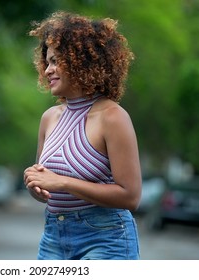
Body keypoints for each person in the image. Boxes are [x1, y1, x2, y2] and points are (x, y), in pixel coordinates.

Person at [23, 11, 141, 260]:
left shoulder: (112, 117)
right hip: (54, 235)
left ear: (81, 60)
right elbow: (47, 187)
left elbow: (130, 196)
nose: (47, 71)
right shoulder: (49, 118)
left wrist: (62, 182)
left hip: (105, 237)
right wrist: (36, 184)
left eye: (55, 61)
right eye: (47, 62)